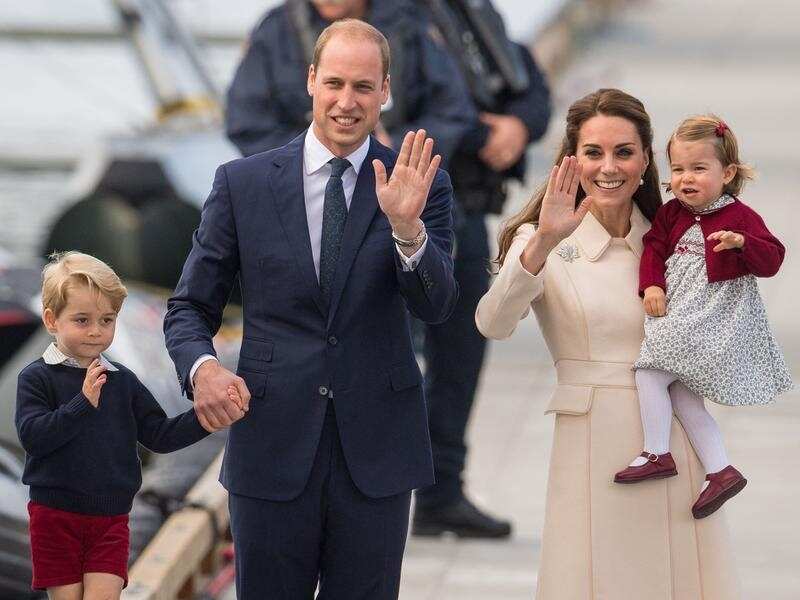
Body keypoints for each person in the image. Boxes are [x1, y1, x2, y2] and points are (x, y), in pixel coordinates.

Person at [164, 19, 458, 599]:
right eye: (335, 84)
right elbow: (189, 308)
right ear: (311, 81)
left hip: (377, 452)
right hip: (270, 445)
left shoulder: (421, 184)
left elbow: (437, 305)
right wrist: (204, 369)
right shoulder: (242, 184)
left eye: (364, 87)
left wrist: (407, 229)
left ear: (385, 91)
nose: (347, 102)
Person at [476, 89, 740, 598]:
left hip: (675, 440)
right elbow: (492, 323)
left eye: (624, 152)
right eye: (593, 152)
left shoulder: (676, 237)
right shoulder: (543, 238)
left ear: (646, 161)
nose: (609, 168)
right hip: (592, 443)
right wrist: (543, 242)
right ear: (572, 160)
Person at [412, 0, 551, 539]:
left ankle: (440, 493)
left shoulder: (468, 11)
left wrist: (518, 124)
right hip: (386, 212)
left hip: (462, 210)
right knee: (381, 360)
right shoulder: (372, 20)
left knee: (460, 356)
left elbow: (524, 79)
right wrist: (475, 134)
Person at [614, 115, 792, 518]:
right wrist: (652, 286)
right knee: (682, 395)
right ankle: (720, 470)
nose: (686, 179)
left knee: (650, 372)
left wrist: (742, 243)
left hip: (709, 321)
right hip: (680, 312)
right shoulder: (671, 214)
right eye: (678, 169)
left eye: (698, 168)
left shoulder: (740, 216)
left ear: (726, 173)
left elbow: (772, 259)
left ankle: (656, 452)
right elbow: (653, 250)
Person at [15, 251, 218, 600]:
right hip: (55, 517)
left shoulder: (122, 381)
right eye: (82, 320)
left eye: (107, 320)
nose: (96, 331)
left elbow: (158, 434)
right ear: (52, 320)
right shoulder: (35, 378)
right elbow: (34, 438)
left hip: (110, 518)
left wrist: (206, 419)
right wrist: (82, 403)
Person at [225, 0, 474, 163]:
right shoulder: (274, 32)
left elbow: (452, 112)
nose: (345, 102)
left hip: (399, 184)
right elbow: (247, 123)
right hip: (302, 195)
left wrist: (392, 149)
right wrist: (316, 156)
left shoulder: (411, 24)